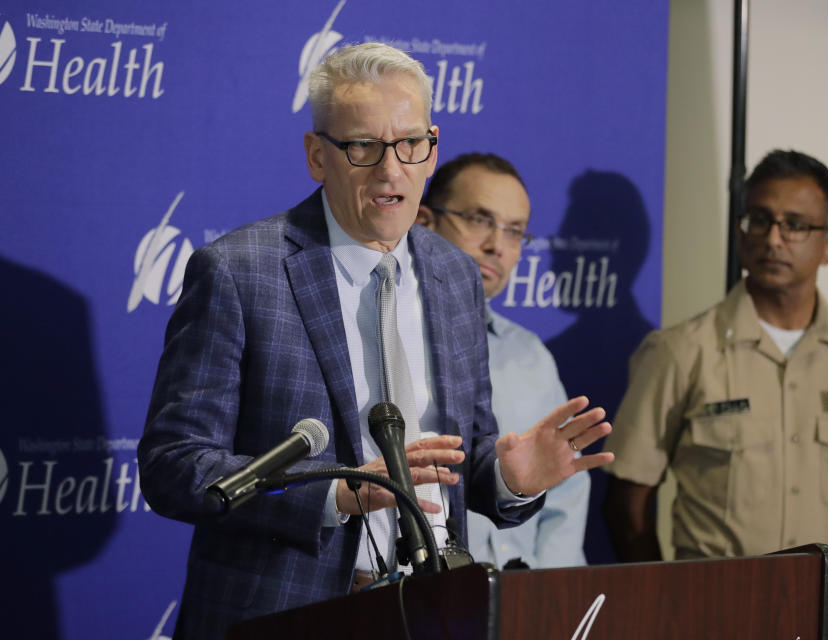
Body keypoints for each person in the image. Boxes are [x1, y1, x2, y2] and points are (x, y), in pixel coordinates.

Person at [138, 43, 613, 638]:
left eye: (410, 144)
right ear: (317, 155)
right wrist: (337, 494)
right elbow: (174, 467)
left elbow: (466, 455)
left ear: (432, 147)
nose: (393, 170)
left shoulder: (454, 276)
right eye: (363, 146)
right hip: (282, 613)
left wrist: (511, 477)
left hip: (433, 612)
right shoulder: (239, 271)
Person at [602, 149, 828, 640]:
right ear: (740, 232)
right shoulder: (681, 351)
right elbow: (627, 504)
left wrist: (821, 579)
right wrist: (670, 603)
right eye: (760, 220)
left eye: (795, 225)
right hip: (711, 617)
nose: (773, 239)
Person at [417, 153, 590, 569]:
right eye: (479, 219)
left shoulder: (531, 357)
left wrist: (546, 605)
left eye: (515, 232)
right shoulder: (390, 335)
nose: (496, 245)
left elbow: (565, 497)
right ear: (424, 221)